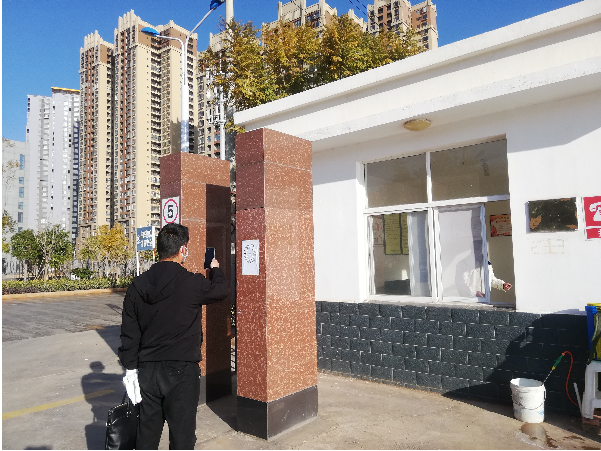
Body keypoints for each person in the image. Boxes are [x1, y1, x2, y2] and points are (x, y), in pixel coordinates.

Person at [118, 223, 228, 449]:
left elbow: (129, 332)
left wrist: (130, 369)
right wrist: (215, 269)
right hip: (182, 371)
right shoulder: (191, 282)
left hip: (147, 371)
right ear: (183, 249)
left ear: (159, 249)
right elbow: (221, 291)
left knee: (146, 435)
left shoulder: (137, 285)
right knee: (182, 437)